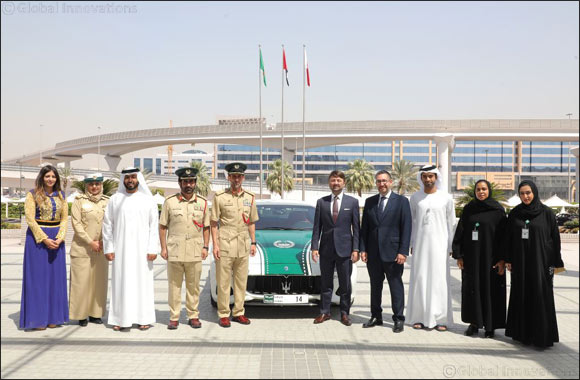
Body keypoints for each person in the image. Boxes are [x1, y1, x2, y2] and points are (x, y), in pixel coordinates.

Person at [504, 180, 564, 348]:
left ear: (535, 192)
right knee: (521, 294)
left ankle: (542, 336)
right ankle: (523, 334)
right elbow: (508, 238)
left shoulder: (547, 213)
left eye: (528, 193)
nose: (525, 196)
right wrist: (508, 258)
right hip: (520, 263)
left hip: (542, 263)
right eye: (522, 193)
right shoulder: (515, 213)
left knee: (541, 295)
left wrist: (556, 263)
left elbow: (555, 239)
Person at [102, 167, 160, 331]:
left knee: (143, 284)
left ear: (138, 179)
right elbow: (107, 225)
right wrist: (109, 247)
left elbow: (153, 226)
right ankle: (120, 319)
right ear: (123, 180)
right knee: (122, 283)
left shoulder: (148, 200)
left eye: (133, 177)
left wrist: (152, 248)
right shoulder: (115, 199)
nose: (130, 180)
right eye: (127, 177)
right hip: (121, 250)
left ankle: (144, 318)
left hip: (143, 252)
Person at [452, 179, 507, 338]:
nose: (481, 192)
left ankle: (490, 326)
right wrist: (459, 255)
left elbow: (504, 237)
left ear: (488, 190)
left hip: (492, 259)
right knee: (472, 290)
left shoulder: (497, 210)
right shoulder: (469, 209)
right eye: (478, 189)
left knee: (491, 290)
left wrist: (502, 259)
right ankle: (474, 323)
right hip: (472, 259)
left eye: (483, 189)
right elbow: (460, 232)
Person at [359, 170, 411, 333]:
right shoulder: (370, 202)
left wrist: (403, 251)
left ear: (390, 182)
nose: (381, 184)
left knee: (396, 285)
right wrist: (363, 249)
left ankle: (398, 319)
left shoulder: (402, 201)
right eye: (379, 181)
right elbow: (364, 228)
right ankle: (376, 316)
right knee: (375, 286)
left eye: (384, 181)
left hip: (394, 253)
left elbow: (407, 227)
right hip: (373, 253)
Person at [159, 167, 210, 330]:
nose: (188, 184)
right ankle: (174, 317)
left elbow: (207, 227)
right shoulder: (170, 202)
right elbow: (162, 226)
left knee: (193, 286)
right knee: (174, 286)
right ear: (179, 182)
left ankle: (193, 315)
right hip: (175, 250)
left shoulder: (202, 203)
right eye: (185, 181)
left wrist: (206, 246)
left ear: (195, 183)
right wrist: (163, 248)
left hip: (195, 250)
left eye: (191, 181)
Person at [20, 164, 69, 330]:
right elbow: (30, 219)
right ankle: (38, 318)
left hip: (57, 241)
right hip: (37, 241)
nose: (50, 179)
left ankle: (54, 317)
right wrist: (44, 238)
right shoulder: (32, 195)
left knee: (55, 279)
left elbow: (64, 219)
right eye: (47, 176)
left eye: (53, 176)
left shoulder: (61, 195)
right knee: (38, 280)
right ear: (42, 177)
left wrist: (60, 237)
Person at [407, 165, 455, 332]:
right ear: (421, 178)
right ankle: (419, 317)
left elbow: (451, 224)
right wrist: (411, 244)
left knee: (439, 281)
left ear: (436, 177)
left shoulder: (446, 198)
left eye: (431, 176)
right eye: (425, 176)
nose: (428, 179)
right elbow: (411, 223)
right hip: (420, 245)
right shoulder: (415, 198)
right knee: (420, 278)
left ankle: (440, 318)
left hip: (440, 246)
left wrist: (450, 246)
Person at [210, 162, 258, 328]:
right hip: (225, 243)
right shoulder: (220, 197)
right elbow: (214, 223)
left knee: (240, 281)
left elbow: (251, 222)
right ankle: (224, 314)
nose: (236, 179)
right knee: (223, 282)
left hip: (243, 244)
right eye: (233, 176)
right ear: (229, 177)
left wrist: (253, 242)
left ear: (243, 178)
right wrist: (214, 245)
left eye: (239, 176)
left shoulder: (250, 198)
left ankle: (239, 312)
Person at [311, 170, 360, 326]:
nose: (336, 183)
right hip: (326, 250)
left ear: (344, 183)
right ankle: (324, 312)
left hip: (345, 250)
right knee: (326, 283)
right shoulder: (321, 202)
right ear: (329, 183)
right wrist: (314, 247)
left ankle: (345, 313)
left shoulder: (352, 202)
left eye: (339, 180)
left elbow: (356, 228)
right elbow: (316, 227)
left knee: (345, 284)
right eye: (333, 180)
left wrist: (356, 249)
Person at [69, 173, 110, 327]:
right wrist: (89, 241)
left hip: (101, 248)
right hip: (82, 248)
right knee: (81, 283)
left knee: (99, 282)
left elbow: (111, 223)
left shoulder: (108, 201)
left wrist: (104, 242)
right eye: (91, 184)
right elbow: (76, 223)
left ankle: (96, 314)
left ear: (101, 185)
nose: (94, 187)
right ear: (86, 185)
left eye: (97, 184)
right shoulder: (79, 201)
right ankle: (81, 315)